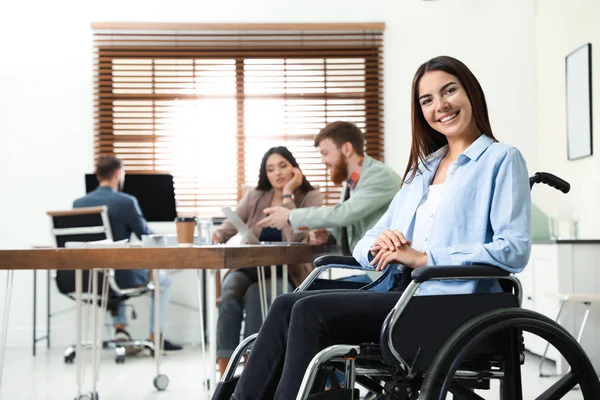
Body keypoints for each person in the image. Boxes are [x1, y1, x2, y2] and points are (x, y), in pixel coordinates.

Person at [223, 55, 531, 400]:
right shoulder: (421, 170)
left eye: (449, 91)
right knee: (285, 304)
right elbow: (368, 241)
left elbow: (513, 249)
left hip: (451, 301)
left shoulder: (502, 159)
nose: (440, 106)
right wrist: (379, 244)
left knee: (310, 311)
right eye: (427, 100)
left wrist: (423, 257)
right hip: (400, 291)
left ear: (470, 92)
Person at [212, 146, 322, 376]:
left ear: (294, 167)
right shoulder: (255, 195)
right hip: (250, 265)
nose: (277, 173)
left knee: (255, 296)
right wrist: (218, 235)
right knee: (229, 297)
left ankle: (252, 371)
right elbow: (230, 225)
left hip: (287, 271)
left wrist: (287, 195)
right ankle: (225, 375)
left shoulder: (310, 196)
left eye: (283, 166)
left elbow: (296, 237)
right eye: (270, 169)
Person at [73, 156, 183, 352]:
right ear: (118, 173)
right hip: (120, 276)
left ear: (98, 175)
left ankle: (120, 328)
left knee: (111, 269)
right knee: (162, 279)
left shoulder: (79, 203)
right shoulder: (126, 202)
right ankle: (156, 336)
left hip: (90, 277)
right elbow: (146, 236)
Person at [257, 121, 402, 256]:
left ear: (346, 149)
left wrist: (290, 216)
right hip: (369, 268)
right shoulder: (352, 182)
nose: (323, 161)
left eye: (325, 153)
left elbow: (345, 213)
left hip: (386, 273)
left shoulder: (379, 176)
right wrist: (329, 235)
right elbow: (354, 225)